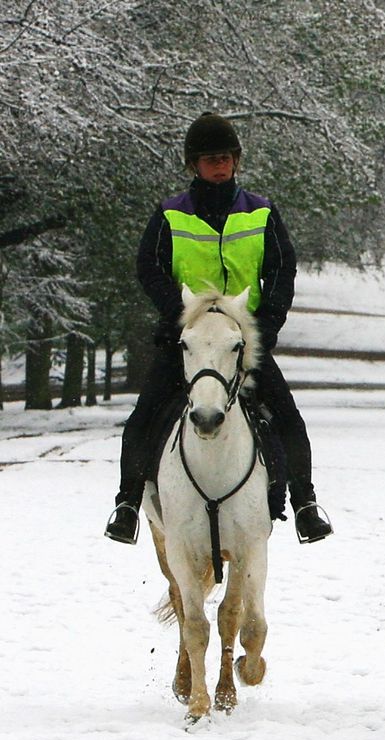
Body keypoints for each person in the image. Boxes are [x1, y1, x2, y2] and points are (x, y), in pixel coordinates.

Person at [104, 112, 333, 545]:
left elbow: (283, 270)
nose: (220, 165)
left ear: (236, 161)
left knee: (288, 419)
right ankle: (128, 504)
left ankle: (304, 503)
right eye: (211, 159)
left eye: (226, 157)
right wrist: (179, 312)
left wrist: (264, 326)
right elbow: (147, 267)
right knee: (143, 418)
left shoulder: (261, 211)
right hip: (187, 340)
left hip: (239, 344)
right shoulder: (171, 214)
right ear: (194, 164)